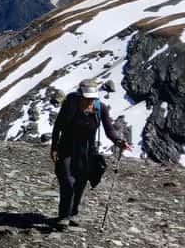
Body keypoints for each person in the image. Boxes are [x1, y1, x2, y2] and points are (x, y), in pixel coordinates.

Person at [50, 79, 131, 228]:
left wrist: (119, 141)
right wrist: (54, 147)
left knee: (81, 181)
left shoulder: (101, 108)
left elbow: (109, 130)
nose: (89, 101)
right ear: (80, 95)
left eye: (92, 98)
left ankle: (73, 213)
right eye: (87, 98)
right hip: (66, 147)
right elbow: (58, 127)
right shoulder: (70, 105)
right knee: (68, 181)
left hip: (87, 149)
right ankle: (64, 216)